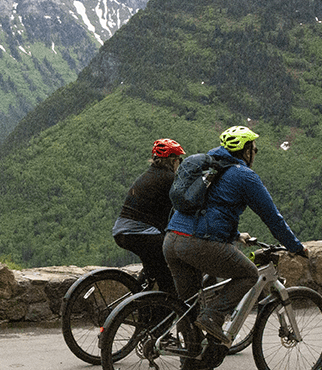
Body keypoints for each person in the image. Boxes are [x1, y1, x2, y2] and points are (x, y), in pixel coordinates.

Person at [163, 126, 307, 348]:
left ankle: (193, 357)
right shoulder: (244, 176)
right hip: (198, 242)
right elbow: (272, 218)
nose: (255, 154)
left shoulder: (210, 166)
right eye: (254, 149)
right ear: (246, 150)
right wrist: (295, 247)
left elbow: (209, 207)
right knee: (249, 274)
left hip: (172, 239)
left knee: (188, 305)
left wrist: (235, 235)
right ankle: (214, 316)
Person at [111, 138, 184, 291]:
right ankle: (165, 309)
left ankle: (145, 297)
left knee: (154, 267)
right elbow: (182, 208)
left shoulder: (150, 174)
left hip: (122, 231)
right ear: (172, 161)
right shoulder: (170, 179)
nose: (180, 163)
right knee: (168, 280)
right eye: (179, 160)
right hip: (140, 234)